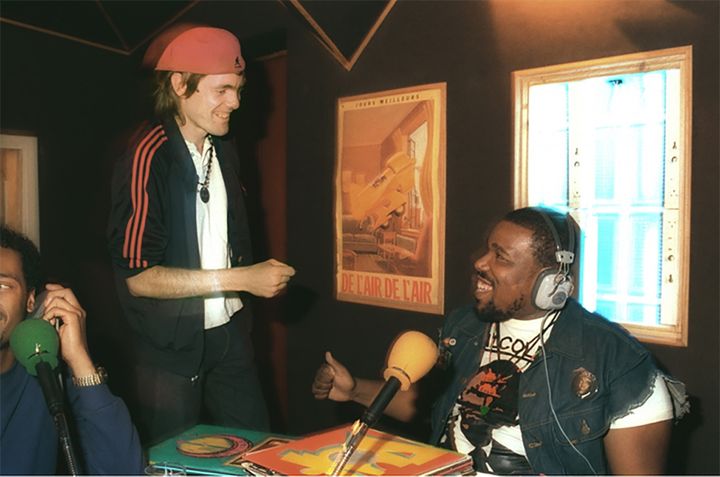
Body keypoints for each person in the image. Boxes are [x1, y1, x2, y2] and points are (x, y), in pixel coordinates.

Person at [312, 207, 688, 475]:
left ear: (549, 284)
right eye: (486, 249)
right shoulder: (464, 328)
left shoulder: (618, 363)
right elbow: (429, 405)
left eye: (500, 257)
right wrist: (354, 391)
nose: (479, 262)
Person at [107, 25, 295, 445]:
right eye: (223, 90)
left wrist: (244, 286)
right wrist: (242, 279)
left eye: (239, 89)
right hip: (169, 349)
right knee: (172, 462)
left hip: (229, 333)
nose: (236, 102)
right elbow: (139, 278)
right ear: (179, 84)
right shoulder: (147, 155)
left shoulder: (223, 147)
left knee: (257, 452)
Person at [0, 225, 144, 475]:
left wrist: (79, 359)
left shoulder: (43, 368)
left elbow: (124, 470)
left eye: (3, 286)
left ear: (31, 300)